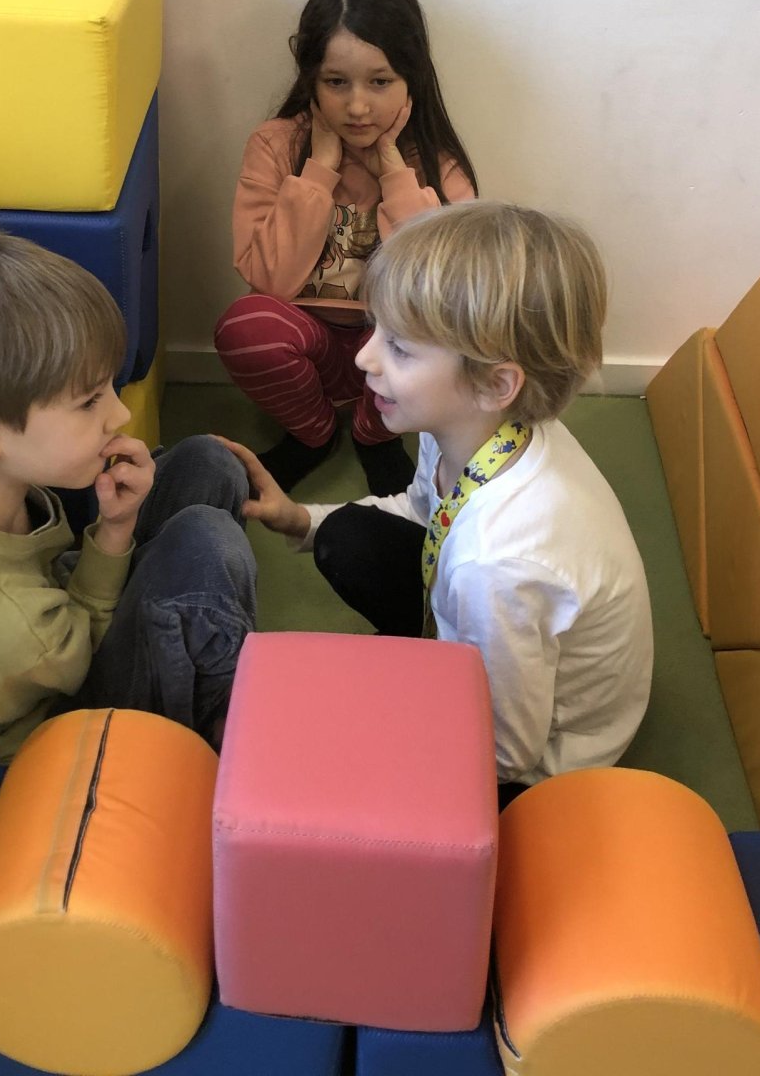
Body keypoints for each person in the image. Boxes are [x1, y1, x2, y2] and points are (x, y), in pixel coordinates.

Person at [220, 201, 652, 806]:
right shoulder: (471, 430)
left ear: (495, 383)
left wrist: (390, 716)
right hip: (502, 644)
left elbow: (507, 752)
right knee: (346, 537)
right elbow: (428, 512)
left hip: (543, 767)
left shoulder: (495, 565)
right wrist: (303, 520)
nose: (364, 358)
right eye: (376, 330)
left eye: (399, 348)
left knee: (325, 760)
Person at [0, 223, 256, 762]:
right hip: (45, 729)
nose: (119, 413)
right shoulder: (4, 625)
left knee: (209, 461)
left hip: (41, 621)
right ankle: (216, 732)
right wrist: (113, 536)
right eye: (88, 402)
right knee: (207, 543)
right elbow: (76, 649)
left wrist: (116, 525)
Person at [215, 0, 477, 497]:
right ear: (311, 78)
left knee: (446, 333)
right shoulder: (276, 145)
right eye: (336, 82)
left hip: (388, 347)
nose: (358, 107)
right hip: (309, 348)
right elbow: (269, 282)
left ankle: (373, 433)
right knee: (245, 325)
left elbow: (439, 289)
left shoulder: (438, 164)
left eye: (380, 82)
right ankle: (313, 436)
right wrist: (319, 168)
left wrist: (395, 173)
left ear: (411, 78)